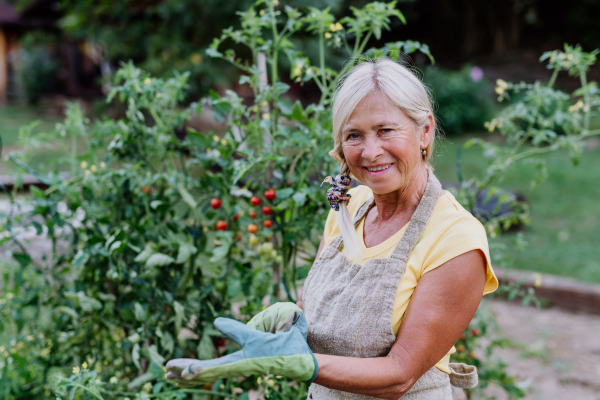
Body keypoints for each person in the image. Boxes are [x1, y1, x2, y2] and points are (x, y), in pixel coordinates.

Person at [165, 58, 498, 400]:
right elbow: (322, 315)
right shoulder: (348, 209)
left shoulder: (456, 239)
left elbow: (400, 375)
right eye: (354, 135)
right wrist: (292, 319)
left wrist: (302, 364)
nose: (370, 152)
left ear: (424, 129)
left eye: (385, 130)